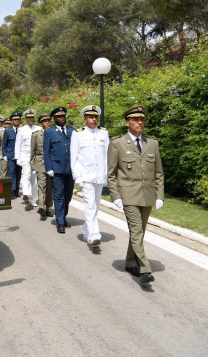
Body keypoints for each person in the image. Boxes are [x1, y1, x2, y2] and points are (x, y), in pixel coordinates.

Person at [107, 105, 164, 283]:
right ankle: (145, 268)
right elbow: (111, 174)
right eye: (135, 119)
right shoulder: (117, 144)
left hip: (147, 195)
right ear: (127, 122)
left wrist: (160, 195)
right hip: (128, 195)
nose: (140, 122)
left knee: (140, 231)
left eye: (142, 120)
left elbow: (158, 173)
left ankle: (130, 262)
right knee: (137, 230)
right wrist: (116, 196)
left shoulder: (152, 144)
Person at [70, 105, 109, 249]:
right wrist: (77, 176)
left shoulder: (103, 133)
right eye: (91, 117)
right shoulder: (78, 134)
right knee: (90, 206)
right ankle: (94, 236)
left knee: (95, 206)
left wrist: (107, 175)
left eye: (95, 117)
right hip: (85, 176)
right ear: (85, 118)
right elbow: (74, 157)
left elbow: (107, 156)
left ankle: (86, 231)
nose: (94, 119)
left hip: (100, 176)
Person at [43, 106, 75, 234]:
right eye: (59, 117)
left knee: (68, 195)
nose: (62, 118)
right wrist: (49, 168)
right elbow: (46, 152)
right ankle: (60, 222)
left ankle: (64, 216)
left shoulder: (72, 131)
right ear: (54, 119)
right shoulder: (49, 132)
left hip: (70, 169)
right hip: (56, 169)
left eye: (63, 116)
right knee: (59, 196)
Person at [15, 109, 40, 205]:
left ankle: (33, 199)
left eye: (32, 117)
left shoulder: (38, 129)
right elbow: (18, 145)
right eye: (28, 118)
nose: (30, 119)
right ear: (25, 119)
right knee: (27, 174)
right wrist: (18, 158)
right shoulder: (21, 130)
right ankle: (26, 193)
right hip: (25, 156)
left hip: (36, 157)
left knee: (34, 179)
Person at [31, 112, 53, 217]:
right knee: (42, 185)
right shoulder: (36, 135)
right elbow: (33, 151)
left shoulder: (54, 133)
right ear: (41, 123)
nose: (47, 123)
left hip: (52, 164)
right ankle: (41, 207)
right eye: (45, 121)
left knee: (49, 187)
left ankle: (48, 207)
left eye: (48, 121)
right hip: (40, 163)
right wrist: (33, 165)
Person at [2, 112, 21, 197]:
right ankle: (12, 190)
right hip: (11, 155)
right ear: (12, 121)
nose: (16, 120)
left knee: (18, 173)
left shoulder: (22, 130)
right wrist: (5, 154)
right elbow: (4, 144)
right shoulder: (8, 131)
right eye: (14, 119)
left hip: (19, 156)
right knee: (11, 173)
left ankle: (17, 190)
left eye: (18, 119)